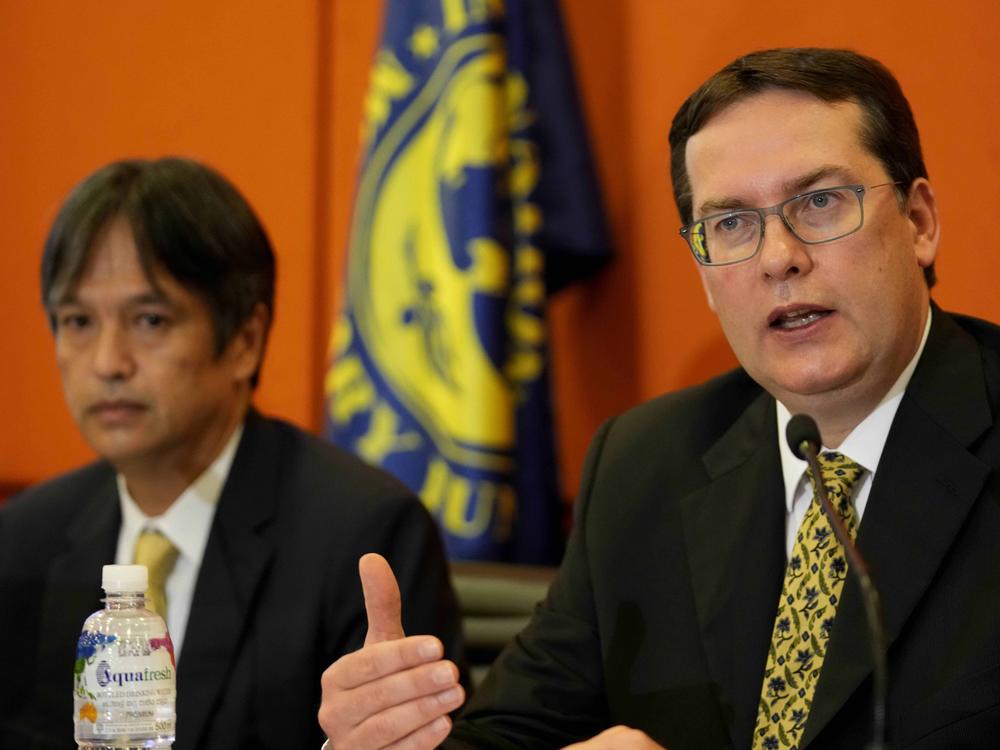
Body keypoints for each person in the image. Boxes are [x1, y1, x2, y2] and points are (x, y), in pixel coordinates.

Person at [316, 47, 1000, 749]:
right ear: (704, 273)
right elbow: (508, 733)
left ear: (919, 222)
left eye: (820, 202)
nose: (778, 256)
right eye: (731, 223)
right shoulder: (645, 466)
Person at [0, 157, 465, 750]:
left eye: (149, 320)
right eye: (78, 321)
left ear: (245, 340)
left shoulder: (362, 535)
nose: (107, 363)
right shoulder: (23, 539)